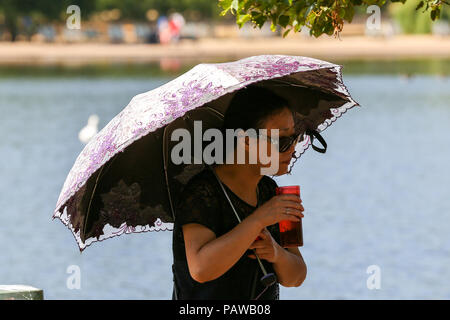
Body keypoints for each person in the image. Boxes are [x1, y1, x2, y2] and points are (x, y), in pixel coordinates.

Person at [171, 85, 307, 300]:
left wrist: (276, 253)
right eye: (282, 141)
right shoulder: (202, 192)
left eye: (295, 137)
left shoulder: (275, 193)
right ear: (246, 141)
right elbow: (200, 269)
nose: (292, 149)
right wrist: (258, 220)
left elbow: (297, 276)